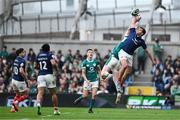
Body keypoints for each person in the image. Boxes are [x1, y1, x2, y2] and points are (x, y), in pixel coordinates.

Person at [117, 9, 155, 87]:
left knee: (128, 72)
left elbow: (148, 52)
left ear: (142, 33)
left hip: (130, 55)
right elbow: (133, 22)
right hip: (123, 52)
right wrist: (136, 16)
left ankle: (121, 83)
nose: (138, 29)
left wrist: (153, 61)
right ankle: (118, 79)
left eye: (140, 29)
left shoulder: (141, 41)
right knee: (124, 66)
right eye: (138, 28)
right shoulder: (133, 31)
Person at [73, 49, 101, 113]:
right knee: (85, 96)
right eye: (89, 52)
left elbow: (99, 70)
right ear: (87, 54)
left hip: (95, 81)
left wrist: (100, 77)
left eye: (91, 52)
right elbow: (83, 73)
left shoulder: (96, 61)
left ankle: (90, 109)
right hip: (87, 81)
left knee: (94, 95)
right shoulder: (85, 62)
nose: (91, 53)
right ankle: (79, 99)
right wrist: (87, 80)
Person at [35, 44, 60, 115]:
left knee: (40, 92)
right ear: (48, 49)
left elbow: (35, 66)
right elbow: (53, 63)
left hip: (40, 75)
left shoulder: (38, 55)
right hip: (49, 75)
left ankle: (39, 104)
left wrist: (40, 68)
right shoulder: (50, 54)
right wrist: (56, 69)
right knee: (53, 93)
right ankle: (55, 110)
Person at [10, 48, 29, 112]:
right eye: (23, 52)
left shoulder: (16, 60)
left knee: (18, 95)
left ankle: (12, 108)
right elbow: (21, 71)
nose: (25, 53)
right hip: (19, 81)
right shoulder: (22, 61)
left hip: (14, 80)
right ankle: (16, 103)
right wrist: (26, 80)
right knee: (26, 94)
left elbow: (12, 69)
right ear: (20, 53)